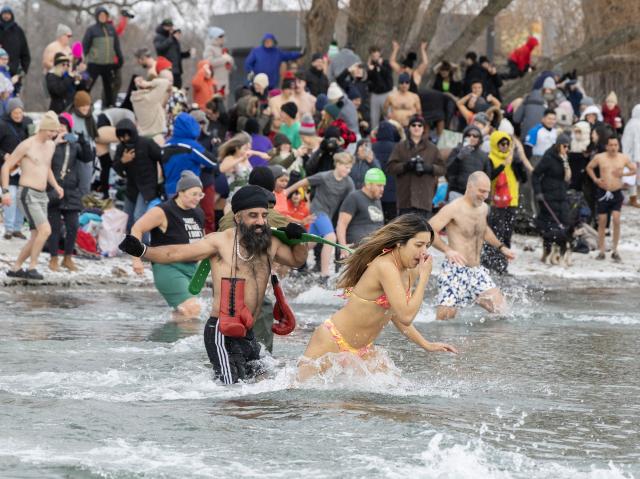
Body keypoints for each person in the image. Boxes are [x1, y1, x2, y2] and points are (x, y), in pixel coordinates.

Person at [119, 185, 309, 384]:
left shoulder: (271, 242)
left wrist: (298, 240)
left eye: (263, 215)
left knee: (264, 385)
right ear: (237, 217)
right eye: (253, 215)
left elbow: (297, 260)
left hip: (247, 332)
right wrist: (142, 251)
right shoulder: (219, 241)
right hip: (222, 331)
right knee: (231, 392)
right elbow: (176, 253)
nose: (260, 221)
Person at [298, 214, 456, 380]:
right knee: (301, 396)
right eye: (418, 245)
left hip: (363, 351)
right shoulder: (385, 266)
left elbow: (395, 314)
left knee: (390, 398)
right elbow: (406, 316)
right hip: (331, 341)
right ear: (399, 243)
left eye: (427, 246)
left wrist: (427, 344)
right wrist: (424, 278)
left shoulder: (410, 270)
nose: (423, 252)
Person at [429, 172, 515, 321]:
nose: (485, 196)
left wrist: (502, 247)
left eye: (488, 191)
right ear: (470, 187)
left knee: (503, 312)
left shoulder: (483, 208)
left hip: (476, 271)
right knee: (444, 322)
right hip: (455, 271)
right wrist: (447, 250)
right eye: (481, 191)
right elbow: (428, 230)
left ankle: (483, 343)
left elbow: (483, 230)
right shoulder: (453, 208)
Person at [130, 171, 205, 320]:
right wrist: (136, 259)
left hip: (192, 269)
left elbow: (201, 240)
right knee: (192, 309)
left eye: (200, 195)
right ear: (180, 192)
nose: (197, 198)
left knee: (185, 314)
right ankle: (183, 342)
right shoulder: (163, 211)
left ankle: (169, 340)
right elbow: (136, 229)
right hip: (168, 268)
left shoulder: (198, 212)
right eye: (194, 194)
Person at [1, 112, 64, 280]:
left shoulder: (50, 145)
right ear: (43, 128)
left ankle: (15, 268)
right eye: (51, 131)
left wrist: (56, 185)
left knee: (37, 235)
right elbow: (6, 167)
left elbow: (46, 167)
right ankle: (32, 267)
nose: (53, 134)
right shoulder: (26, 145)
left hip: (42, 194)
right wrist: (5, 191)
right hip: (27, 193)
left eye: (55, 132)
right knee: (46, 230)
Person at [285, 152, 355, 280]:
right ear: (338, 164)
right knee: (330, 237)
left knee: (309, 244)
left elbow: (353, 199)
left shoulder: (348, 182)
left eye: (350, 168)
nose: (348, 170)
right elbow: (305, 181)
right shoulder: (325, 176)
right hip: (317, 211)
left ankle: (287, 263)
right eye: (346, 167)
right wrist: (287, 191)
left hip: (328, 215)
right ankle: (324, 274)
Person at [46, 113, 91, 272]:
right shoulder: (49, 143)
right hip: (53, 189)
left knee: (73, 226)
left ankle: (68, 258)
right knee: (54, 226)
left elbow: (87, 158)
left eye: (64, 127)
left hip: (71, 190)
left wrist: (83, 140)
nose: (61, 129)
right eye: (58, 126)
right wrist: (55, 142)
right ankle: (53, 258)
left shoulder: (75, 145)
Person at [481, 131, 527, 274]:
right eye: (502, 143)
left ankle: (502, 265)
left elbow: (523, 178)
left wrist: (517, 162)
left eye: (507, 143)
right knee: (495, 233)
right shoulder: (490, 159)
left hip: (511, 201)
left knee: (507, 233)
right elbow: (488, 177)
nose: (505, 146)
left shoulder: (512, 158)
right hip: (496, 202)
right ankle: (488, 262)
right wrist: (503, 165)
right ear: (495, 144)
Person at [586, 135, 637, 262]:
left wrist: (623, 174)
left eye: (615, 145)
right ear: (607, 146)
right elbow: (589, 167)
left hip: (616, 192)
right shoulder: (600, 157)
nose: (613, 147)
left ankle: (615, 250)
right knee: (602, 221)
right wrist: (596, 179)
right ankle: (602, 250)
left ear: (618, 146)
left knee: (616, 219)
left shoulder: (623, 157)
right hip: (604, 192)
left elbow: (634, 169)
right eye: (611, 145)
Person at [387, 115, 445, 219]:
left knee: (423, 234)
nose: (416, 127)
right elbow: (391, 168)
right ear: (409, 128)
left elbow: (442, 169)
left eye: (420, 125)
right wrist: (406, 166)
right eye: (413, 125)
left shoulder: (432, 148)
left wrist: (429, 168)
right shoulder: (400, 147)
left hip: (424, 200)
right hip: (405, 199)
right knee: (405, 233)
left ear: (423, 128)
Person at [112, 119, 162, 231]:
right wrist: (123, 161)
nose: (124, 139)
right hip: (131, 187)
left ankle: (143, 246)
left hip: (147, 187)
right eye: (121, 137)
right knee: (127, 219)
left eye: (126, 136)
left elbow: (161, 157)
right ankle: (129, 244)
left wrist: (163, 181)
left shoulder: (146, 143)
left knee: (139, 217)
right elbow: (116, 167)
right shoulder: (121, 148)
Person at [532, 134, 572, 265]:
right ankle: (546, 252)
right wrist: (538, 192)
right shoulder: (549, 157)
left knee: (564, 225)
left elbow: (567, 178)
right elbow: (535, 174)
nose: (567, 149)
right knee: (549, 226)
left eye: (568, 146)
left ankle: (560, 254)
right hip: (548, 196)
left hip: (561, 195)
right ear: (558, 145)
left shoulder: (565, 158)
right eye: (564, 146)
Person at [0, 97, 30, 239]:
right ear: (10, 112)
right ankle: (9, 228)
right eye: (15, 113)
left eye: (20, 112)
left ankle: (18, 227)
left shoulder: (27, 124)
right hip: (8, 167)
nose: (18, 115)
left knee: (20, 197)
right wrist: (4, 155)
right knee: (10, 196)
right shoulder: (2, 125)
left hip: (23, 167)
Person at [82, 7, 123, 108]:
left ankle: (109, 105)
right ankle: (83, 103)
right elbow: (84, 46)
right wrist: (81, 61)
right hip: (94, 63)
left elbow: (116, 45)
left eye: (104, 15)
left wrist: (120, 57)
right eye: (100, 15)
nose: (103, 17)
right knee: (87, 85)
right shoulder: (91, 30)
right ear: (97, 17)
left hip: (108, 64)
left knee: (109, 87)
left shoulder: (111, 29)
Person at [336, 167, 385, 253]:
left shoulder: (377, 200)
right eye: (379, 185)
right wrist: (343, 247)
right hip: (359, 249)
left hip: (377, 246)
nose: (382, 189)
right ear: (368, 184)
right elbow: (341, 224)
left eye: (383, 186)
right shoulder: (354, 197)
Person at [446, 125, 491, 202]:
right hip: (456, 191)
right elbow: (447, 171)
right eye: (469, 135)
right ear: (464, 137)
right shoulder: (457, 150)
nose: (472, 137)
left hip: (476, 194)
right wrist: (458, 158)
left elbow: (487, 177)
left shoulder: (484, 156)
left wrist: (486, 198)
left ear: (479, 139)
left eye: (475, 135)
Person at [153, 19, 192, 89]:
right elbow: (160, 48)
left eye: (171, 26)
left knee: (177, 89)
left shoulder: (172, 38)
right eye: (168, 26)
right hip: (166, 69)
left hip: (177, 70)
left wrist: (187, 54)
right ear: (163, 27)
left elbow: (176, 55)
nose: (170, 28)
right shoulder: (159, 37)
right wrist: (172, 38)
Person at [0, 6, 29, 94]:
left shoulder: (18, 31)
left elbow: (25, 54)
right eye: (4, 14)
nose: (6, 16)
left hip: (14, 73)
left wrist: (22, 72)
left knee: (13, 100)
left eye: (8, 14)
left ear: (12, 15)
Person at [203, 27, 234, 105]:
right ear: (215, 38)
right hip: (215, 82)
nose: (223, 39)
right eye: (221, 37)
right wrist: (224, 59)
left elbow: (229, 62)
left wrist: (230, 60)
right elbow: (209, 62)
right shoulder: (209, 49)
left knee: (224, 104)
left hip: (224, 81)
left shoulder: (221, 49)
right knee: (216, 104)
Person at [366, 45, 394, 130]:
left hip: (386, 93)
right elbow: (368, 80)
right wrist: (370, 69)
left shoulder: (385, 63)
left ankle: (390, 134)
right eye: (373, 56)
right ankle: (373, 135)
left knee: (388, 116)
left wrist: (380, 66)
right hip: (375, 94)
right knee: (374, 117)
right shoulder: (370, 66)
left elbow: (388, 74)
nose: (375, 58)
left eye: (377, 55)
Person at [621, 104, 640, 208]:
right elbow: (637, 142)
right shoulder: (637, 125)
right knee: (633, 176)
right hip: (632, 155)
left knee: (631, 176)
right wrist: (638, 157)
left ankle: (633, 197)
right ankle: (633, 198)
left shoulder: (630, 123)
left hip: (627, 153)